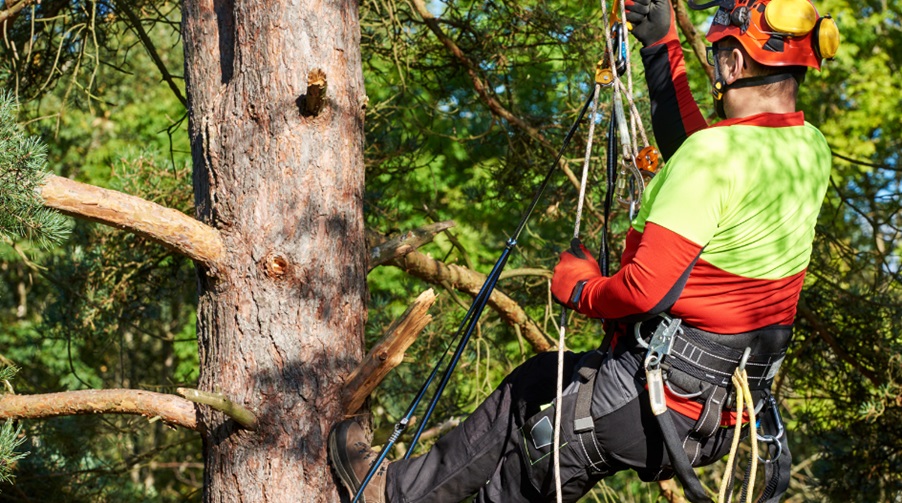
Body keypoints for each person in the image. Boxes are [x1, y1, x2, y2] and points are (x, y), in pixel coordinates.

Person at [328, 0, 839, 501]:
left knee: (515, 472)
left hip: (650, 400)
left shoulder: (714, 157)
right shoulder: (807, 149)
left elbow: (644, 291)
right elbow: (707, 152)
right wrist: (662, 48)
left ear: (732, 62)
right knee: (533, 383)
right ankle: (397, 490)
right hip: (718, 413)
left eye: (719, 55)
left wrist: (580, 288)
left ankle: (389, 493)